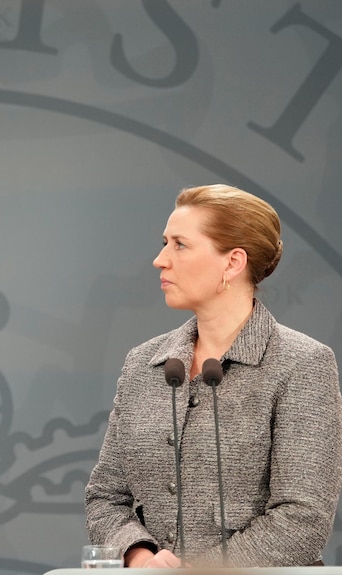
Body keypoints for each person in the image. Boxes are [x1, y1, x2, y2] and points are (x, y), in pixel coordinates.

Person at [85, 184, 342, 567]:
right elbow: (105, 496)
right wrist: (138, 554)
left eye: (180, 245)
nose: (160, 259)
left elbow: (303, 518)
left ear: (233, 262)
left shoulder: (302, 363)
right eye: (164, 243)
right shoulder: (144, 363)